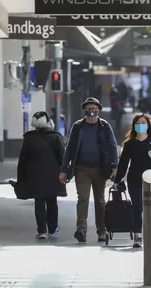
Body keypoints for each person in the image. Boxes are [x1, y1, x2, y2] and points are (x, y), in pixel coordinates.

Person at [59, 97, 119, 243]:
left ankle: (102, 230)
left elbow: (112, 146)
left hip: (100, 168)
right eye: (89, 109)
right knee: (83, 199)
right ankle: (81, 229)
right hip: (82, 169)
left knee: (100, 201)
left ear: (98, 110)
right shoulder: (78, 126)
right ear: (84, 110)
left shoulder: (105, 126)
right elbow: (70, 148)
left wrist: (115, 166)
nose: (91, 111)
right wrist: (64, 169)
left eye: (94, 109)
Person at [113, 114, 151, 248]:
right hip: (134, 178)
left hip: (150, 178)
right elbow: (123, 163)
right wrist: (117, 180)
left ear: (148, 125)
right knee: (137, 206)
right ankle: (138, 235)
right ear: (134, 126)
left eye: (143, 123)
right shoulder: (129, 144)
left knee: (149, 207)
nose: (141, 125)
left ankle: (150, 232)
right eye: (138, 123)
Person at [16, 111, 67, 239]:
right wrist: (65, 172)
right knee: (52, 201)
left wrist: (21, 179)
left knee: (39, 202)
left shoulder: (29, 138)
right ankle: (53, 228)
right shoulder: (56, 137)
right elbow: (62, 157)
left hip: (35, 174)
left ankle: (42, 231)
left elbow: (23, 160)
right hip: (53, 174)